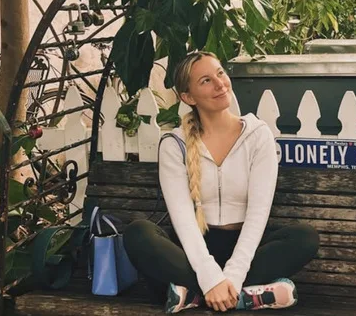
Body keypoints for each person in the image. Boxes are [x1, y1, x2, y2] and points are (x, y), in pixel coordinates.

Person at [124, 51, 319, 314]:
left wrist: (234, 274)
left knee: (304, 237)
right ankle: (245, 296)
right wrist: (209, 276)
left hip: (246, 250)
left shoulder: (257, 135)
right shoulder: (174, 144)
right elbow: (181, 217)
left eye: (220, 73)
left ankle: (191, 294)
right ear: (188, 97)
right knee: (138, 233)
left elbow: (258, 213)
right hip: (192, 251)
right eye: (205, 80)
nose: (220, 84)